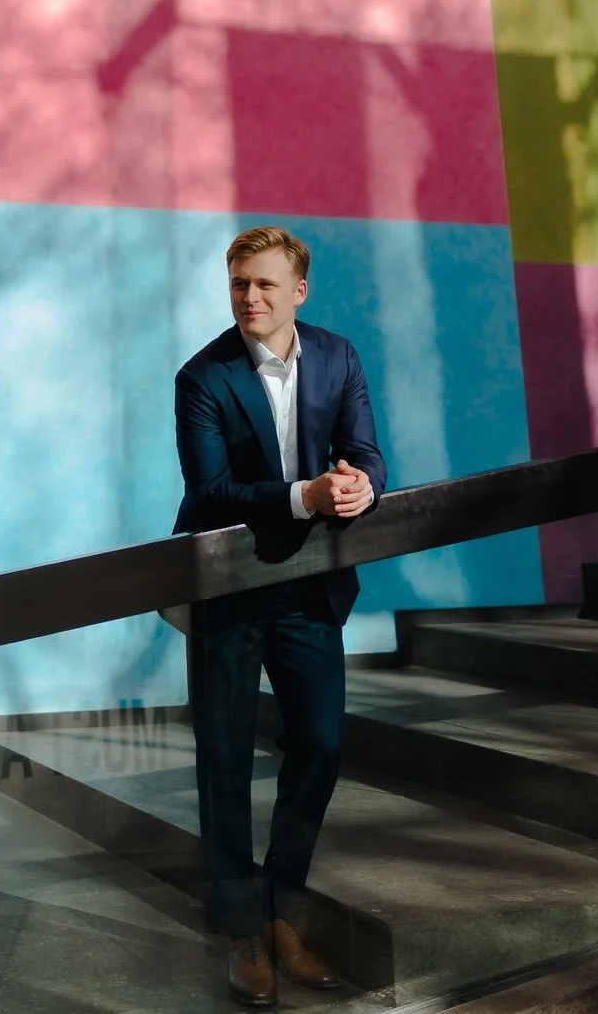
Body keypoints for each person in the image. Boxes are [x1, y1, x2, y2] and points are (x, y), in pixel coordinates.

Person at [174, 226, 386, 1005]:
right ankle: (242, 936)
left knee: (322, 742)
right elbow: (207, 493)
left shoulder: (337, 355)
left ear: (300, 289)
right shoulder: (201, 376)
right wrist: (304, 496)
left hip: (309, 591)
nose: (249, 298)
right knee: (224, 760)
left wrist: (362, 482)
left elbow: (366, 450)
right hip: (229, 592)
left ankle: (283, 909)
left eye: (264, 285)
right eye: (238, 285)